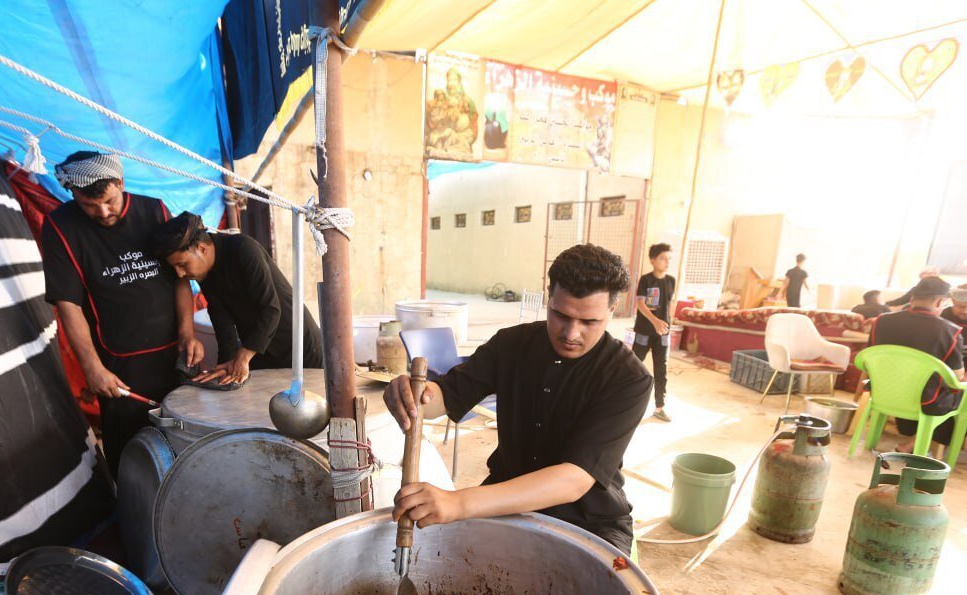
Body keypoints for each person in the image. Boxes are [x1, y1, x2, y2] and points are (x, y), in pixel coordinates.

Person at [384, 244, 651, 555]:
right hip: (505, 503)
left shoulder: (628, 378)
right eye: (560, 315)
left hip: (590, 520)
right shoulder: (511, 344)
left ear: (612, 309)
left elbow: (573, 479)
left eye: (589, 322)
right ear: (549, 297)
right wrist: (413, 396)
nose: (571, 333)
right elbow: (444, 397)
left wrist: (458, 502)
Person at [41, 151, 202, 475]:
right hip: (118, 364)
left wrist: (188, 334)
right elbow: (69, 304)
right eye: (89, 205)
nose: (102, 212)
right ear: (73, 193)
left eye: (109, 201)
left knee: (187, 440)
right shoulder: (61, 226)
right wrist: (92, 368)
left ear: (121, 182)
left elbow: (180, 279)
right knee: (131, 454)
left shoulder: (154, 210)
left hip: (175, 354)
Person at [151, 212, 323, 386]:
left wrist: (244, 355)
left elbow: (271, 310)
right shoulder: (204, 272)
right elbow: (221, 320)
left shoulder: (243, 249)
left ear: (202, 248)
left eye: (182, 264)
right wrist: (226, 363)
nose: (180, 274)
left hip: (301, 350)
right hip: (260, 354)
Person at [868, 276, 964, 452]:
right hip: (924, 401)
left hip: (883, 392)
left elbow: (870, 359)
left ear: (912, 298)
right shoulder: (950, 331)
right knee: (966, 398)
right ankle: (920, 442)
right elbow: (956, 377)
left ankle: (913, 438)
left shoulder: (881, 321)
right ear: (940, 301)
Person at [632, 242, 674, 422]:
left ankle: (659, 407)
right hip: (644, 331)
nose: (667, 262)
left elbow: (670, 304)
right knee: (634, 364)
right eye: (663, 258)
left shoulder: (671, 280)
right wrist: (655, 321)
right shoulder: (646, 280)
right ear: (652, 260)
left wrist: (668, 323)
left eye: (669, 258)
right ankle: (624, 399)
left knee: (661, 368)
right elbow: (641, 304)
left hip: (663, 333)